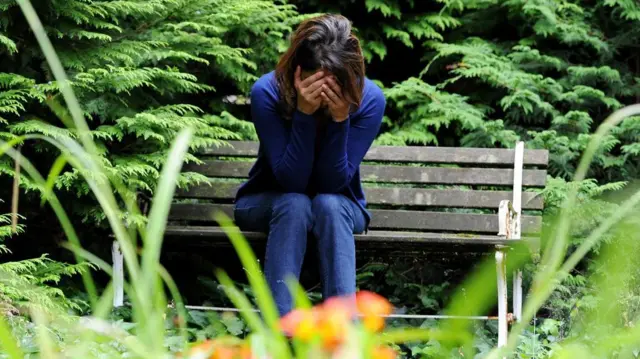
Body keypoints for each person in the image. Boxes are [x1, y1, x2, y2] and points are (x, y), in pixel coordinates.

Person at [233, 13, 386, 316]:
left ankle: (342, 336)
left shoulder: (369, 99)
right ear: (298, 71)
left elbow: (332, 184)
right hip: (267, 200)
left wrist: (341, 119)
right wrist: (303, 114)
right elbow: (292, 182)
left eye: (336, 82)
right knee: (295, 203)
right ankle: (280, 333)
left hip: (342, 205)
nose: (326, 91)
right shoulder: (267, 92)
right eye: (318, 81)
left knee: (328, 204)